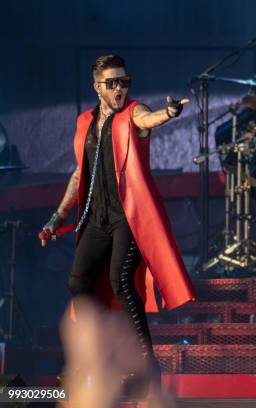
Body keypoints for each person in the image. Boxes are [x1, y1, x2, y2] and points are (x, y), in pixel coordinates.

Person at [40, 54, 196, 395]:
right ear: (97, 87)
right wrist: (57, 217)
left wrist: (169, 113)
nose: (120, 89)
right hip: (97, 218)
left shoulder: (133, 113)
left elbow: (150, 118)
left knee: (121, 279)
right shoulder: (85, 123)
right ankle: (94, 353)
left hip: (128, 216)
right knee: (78, 282)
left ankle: (146, 366)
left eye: (125, 82)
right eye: (112, 83)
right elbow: (79, 172)